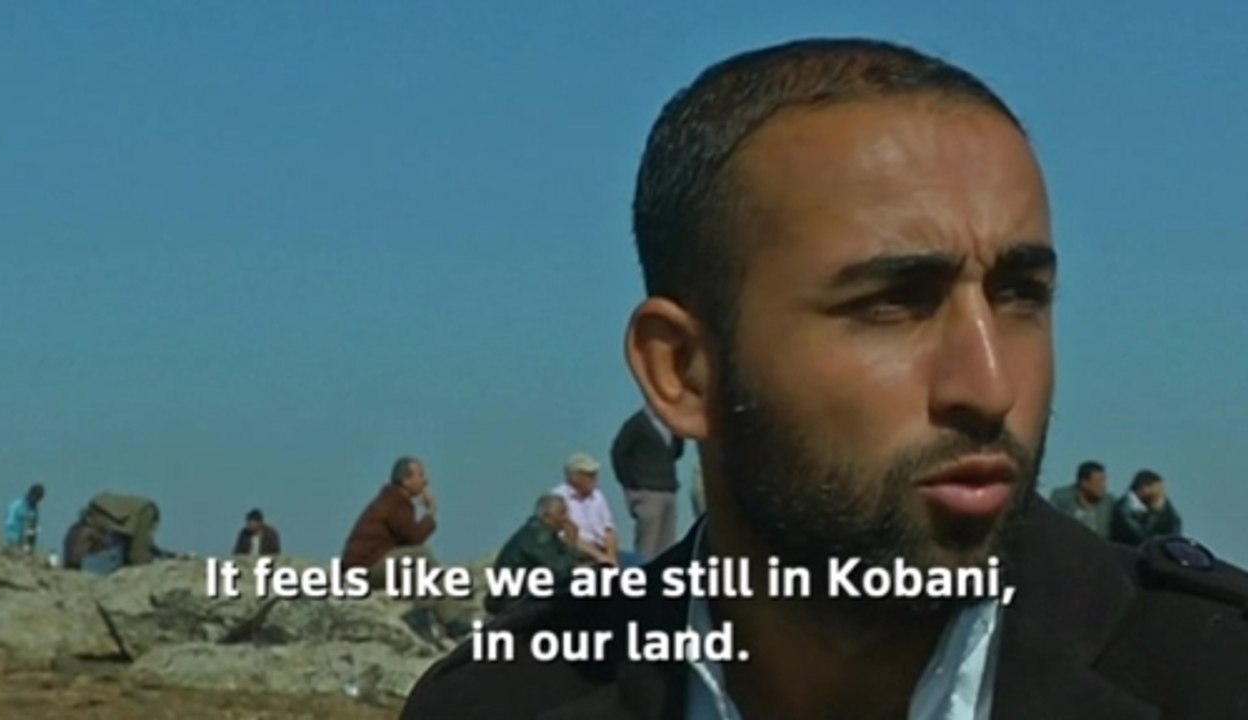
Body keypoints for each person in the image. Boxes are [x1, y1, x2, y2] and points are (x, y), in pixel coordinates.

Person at [403, 38, 1248, 720]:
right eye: (893, 303)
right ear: (682, 370)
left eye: (1019, 295)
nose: (989, 387)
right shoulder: (500, 700)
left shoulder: (1211, 679)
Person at [340, 455, 475, 646]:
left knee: (418, 565)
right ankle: (437, 617)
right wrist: (430, 513)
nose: (426, 481)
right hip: (363, 569)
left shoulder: (393, 500)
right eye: (420, 475)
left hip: (370, 564)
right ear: (405, 480)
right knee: (421, 555)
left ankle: (451, 620)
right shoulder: (395, 502)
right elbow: (413, 539)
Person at [486, 493, 582, 616]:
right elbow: (561, 571)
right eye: (562, 513)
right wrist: (571, 545)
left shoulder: (542, 532)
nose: (567, 518)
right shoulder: (538, 536)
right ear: (547, 517)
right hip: (515, 601)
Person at [611, 406, 685, 559]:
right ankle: (643, 578)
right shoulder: (637, 424)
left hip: (668, 487)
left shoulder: (669, 425)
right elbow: (619, 452)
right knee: (648, 543)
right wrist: (631, 484)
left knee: (668, 544)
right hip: (647, 490)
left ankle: (664, 578)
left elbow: (676, 451)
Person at [551, 453, 641, 567]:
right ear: (574, 477)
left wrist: (610, 556)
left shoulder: (597, 496)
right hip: (578, 553)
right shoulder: (559, 497)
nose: (595, 478)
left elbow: (610, 530)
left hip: (604, 550)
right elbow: (566, 536)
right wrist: (600, 557)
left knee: (639, 561)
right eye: (590, 475)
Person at [69, 493, 179, 574]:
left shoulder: (90, 524)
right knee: (133, 554)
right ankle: (167, 557)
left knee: (138, 559)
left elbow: (76, 552)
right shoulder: (101, 516)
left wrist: (72, 568)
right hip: (135, 516)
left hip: (142, 512)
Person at [1109, 469, 1183, 547]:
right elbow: (1142, 539)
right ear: (1143, 489)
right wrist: (1154, 514)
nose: (1160, 496)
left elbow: (1174, 531)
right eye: (1158, 491)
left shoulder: (1164, 509)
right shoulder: (1124, 509)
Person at [1047, 461, 1113, 538]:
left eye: (1104, 480)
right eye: (1100, 481)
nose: (1104, 486)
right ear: (1084, 482)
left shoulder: (1109, 504)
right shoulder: (1061, 499)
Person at [3, 483, 44, 552]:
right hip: (14, 542)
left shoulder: (34, 510)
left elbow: (34, 528)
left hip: (27, 546)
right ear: (30, 493)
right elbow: (10, 523)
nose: (35, 500)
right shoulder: (16, 505)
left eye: (38, 498)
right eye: (35, 496)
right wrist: (13, 541)